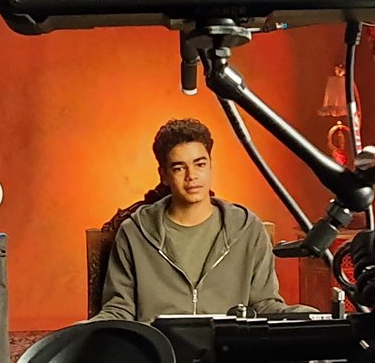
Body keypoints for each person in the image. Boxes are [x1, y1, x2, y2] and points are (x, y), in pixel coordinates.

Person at [95, 118, 311, 321]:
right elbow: (118, 310)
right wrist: (76, 337)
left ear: (210, 165)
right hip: (159, 355)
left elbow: (264, 305)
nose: (192, 176)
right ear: (164, 175)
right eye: (179, 168)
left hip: (229, 354)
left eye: (199, 164)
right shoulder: (134, 233)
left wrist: (309, 317)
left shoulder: (248, 229)